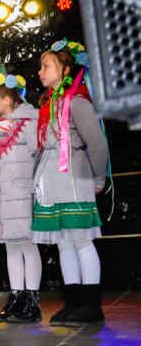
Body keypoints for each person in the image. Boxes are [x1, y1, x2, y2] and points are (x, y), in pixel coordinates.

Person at [32, 39, 108, 327]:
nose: (40, 71)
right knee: (64, 243)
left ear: (65, 69)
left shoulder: (76, 100)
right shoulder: (50, 103)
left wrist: (99, 178)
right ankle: (74, 301)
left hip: (75, 178)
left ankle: (91, 304)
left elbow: (97, 144)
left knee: (80, 240)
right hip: (51, 180)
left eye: (46, 66)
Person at [0, 69, 42, 323]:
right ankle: (16, 297)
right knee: (11, 248)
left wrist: (37, 190)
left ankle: (32, 301)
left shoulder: (29, 122)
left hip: (24, 196)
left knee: (28, 246)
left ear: (7, 99)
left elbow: (40, 157)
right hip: (2, 199)